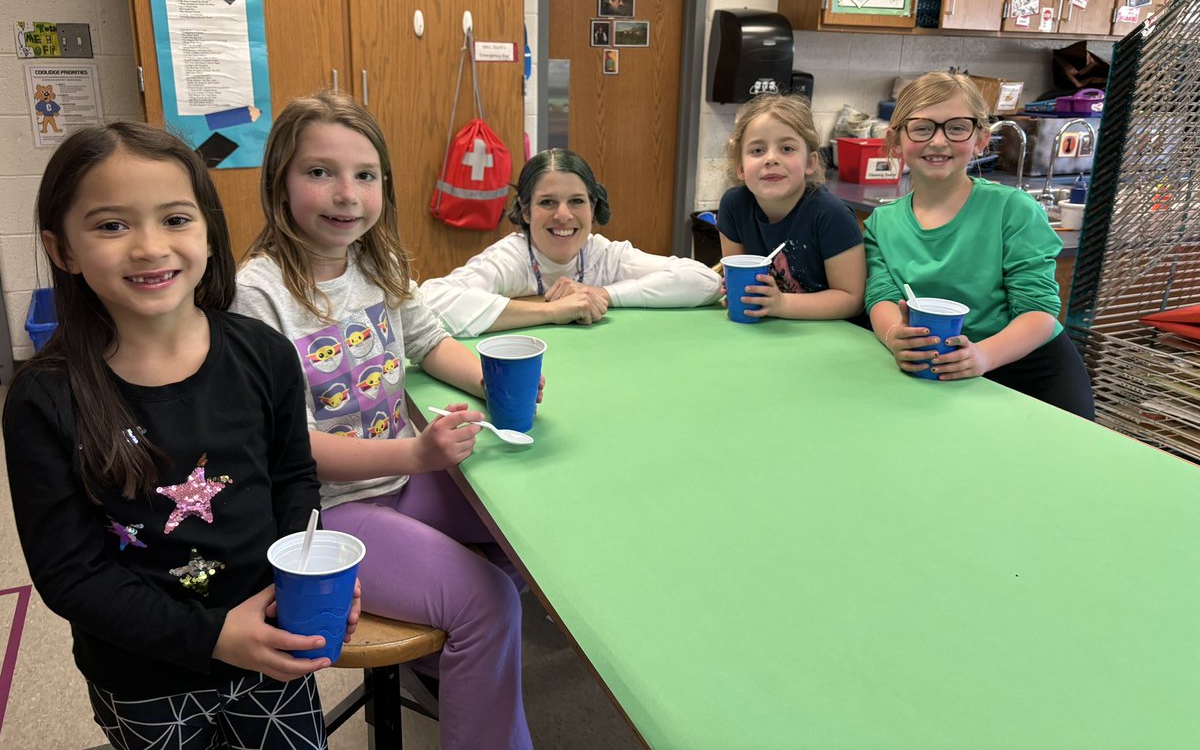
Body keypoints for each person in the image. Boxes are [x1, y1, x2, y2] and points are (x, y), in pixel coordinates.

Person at [2, 123, 349, 749]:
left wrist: (309, 575)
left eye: (175, 219)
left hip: (272, 641)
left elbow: (294, 479)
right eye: (111, 225)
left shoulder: (263, 354)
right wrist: (212, 637)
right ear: (63, 250)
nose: (148, 247)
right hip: (141, 675)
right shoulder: (44, 398)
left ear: (209, 234)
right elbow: (70, 573)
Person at [233, 91, 533, 750]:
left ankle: (453, 666)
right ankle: (473, 671)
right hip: (329, 511)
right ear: (279, 184)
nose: (347, 194)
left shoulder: (379, 260)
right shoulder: (255, 295)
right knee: (490, 602)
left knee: (529, 538)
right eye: (320, 173)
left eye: (365, 176)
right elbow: (292, 452)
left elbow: (428, 342)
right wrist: (416, 457)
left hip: (404, 480)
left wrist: (493, 380)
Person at [863, 72, 1094, 418]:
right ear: (895, 140)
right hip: (939, 368)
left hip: (1029, 367)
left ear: (982, 139)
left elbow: (1038, 313)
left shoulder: (1013, 210)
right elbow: (881, 297)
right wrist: (894, 334)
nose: (938, 142)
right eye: (922, 127)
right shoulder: (881, 224)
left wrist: (983, 356)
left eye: (956, 127)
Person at [422, 148, 722, 336]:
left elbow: (705, 281)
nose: (563, 215)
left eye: (577, 201)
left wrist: (602, 293)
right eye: (548, 202)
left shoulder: (603, 254)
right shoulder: (510, 258)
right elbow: (431, 302)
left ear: (593, 207)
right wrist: (554, 311)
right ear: (525, 211)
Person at [717, 92, 866, 320]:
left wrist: (782, 303)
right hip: (767, 330)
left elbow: (851, 299)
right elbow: (738, 278)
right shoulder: (734, 206)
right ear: (740, 167)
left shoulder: (832, 215)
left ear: (810, 162)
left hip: (831, 334)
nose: (771, 159)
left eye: (787, 149)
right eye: (757, 150)